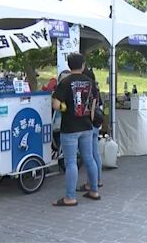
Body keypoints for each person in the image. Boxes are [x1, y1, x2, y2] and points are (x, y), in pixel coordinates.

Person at [52, 52, 100, 206]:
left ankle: (70, 197)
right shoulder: (90, 82)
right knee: (89, 158)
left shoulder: (65, 82)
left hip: (70, 128)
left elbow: (55, 104)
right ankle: (94, 190)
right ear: (83, 65)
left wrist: (64, 107)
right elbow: (94, 104)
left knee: (71, 162)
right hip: (87, 126)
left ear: (68, 65)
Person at [79, 68, 104, 190]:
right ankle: (98, 179)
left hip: (89, 123)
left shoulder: (86, 90)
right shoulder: (96, 89)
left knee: (89, 157)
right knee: (95, 154)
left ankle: (90, 183)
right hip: (97, 124)